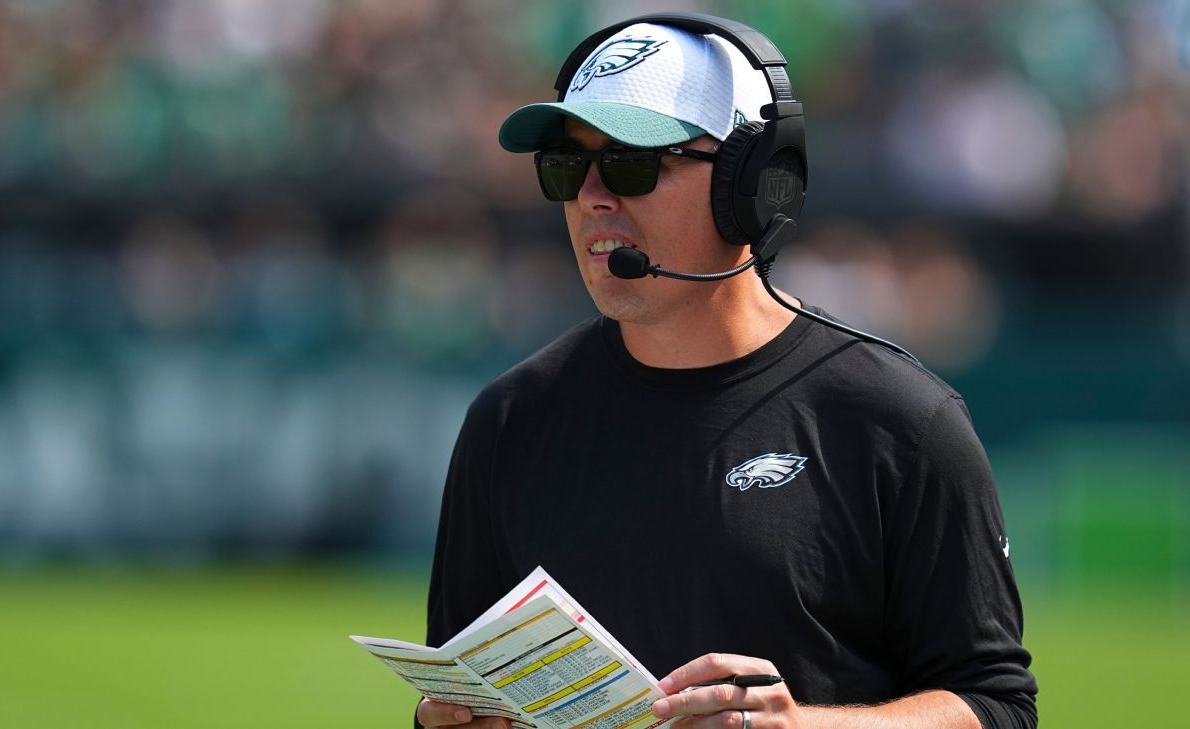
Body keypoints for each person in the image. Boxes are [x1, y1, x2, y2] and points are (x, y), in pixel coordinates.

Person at [417, 13, 1036, 729]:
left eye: (630, 162)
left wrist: (803, 727)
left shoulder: (903, 422)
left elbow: (997, 705)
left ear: (752, 182)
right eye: (565, 165)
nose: (591, 197)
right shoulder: (509, 421)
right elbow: (463, 697)